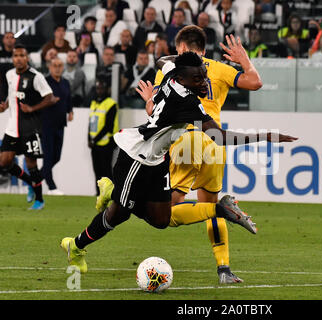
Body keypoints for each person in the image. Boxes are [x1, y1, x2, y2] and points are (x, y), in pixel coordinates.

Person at [60, 51, 297, 274]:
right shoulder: (186, 102)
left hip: (158, 159)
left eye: (204, 76)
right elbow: (218, 137)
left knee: (162, 220)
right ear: (182, 80)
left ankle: (116, 193)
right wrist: (265, 136)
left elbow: (162, 59)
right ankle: (77, 246)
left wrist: (185, 60)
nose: (204, 82)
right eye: (197, 79)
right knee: (118, 215)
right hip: (136, 157)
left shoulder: (173, 72)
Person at [95, 26, 264, 284]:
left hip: (188, 140)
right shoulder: (218, 68)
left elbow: (158, 112)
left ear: (181, 49)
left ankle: (115, 193)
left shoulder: (172, 71)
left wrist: (149, 102)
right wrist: (244, 60)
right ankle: (224, 270)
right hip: (215, 146)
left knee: (168, 211)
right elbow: (255, 82)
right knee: (209, 205)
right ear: (204, 49)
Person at [0, 44, 58, 210]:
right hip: (12, 128)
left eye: (22, 55)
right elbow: (9, 97)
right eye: (16, 55)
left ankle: (39, 200)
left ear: (27, 58)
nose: (18, 58)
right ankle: (30, 183)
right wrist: (3, 106)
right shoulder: (9, 74)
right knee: (4, 162)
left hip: (30, 128)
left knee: (31, 164)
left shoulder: (36, 76)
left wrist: (32, 108)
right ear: (12, 58)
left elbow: (50, 97)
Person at [42, 57, 73, 195]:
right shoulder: (45, 82)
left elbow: (68, 98)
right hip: (46, 124)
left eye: (60, 65)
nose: (58, 68)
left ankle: (35, 178)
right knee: (48, 157)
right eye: (55, 65)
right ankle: (51, 186)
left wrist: (70, 110)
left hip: (61, 124)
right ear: (50, 67)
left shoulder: (65, 83)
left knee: (56, 157)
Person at [88, 77, 119, 195]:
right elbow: (90, 123)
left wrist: (94, 140)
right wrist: (89, 139)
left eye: (102, 88)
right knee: (97, 171)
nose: (99, 90)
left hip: (106, 143)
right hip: (95, 144)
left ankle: (110, 194)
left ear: (107, 89)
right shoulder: (94, 103)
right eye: (97, 88)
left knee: (106, 170)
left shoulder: (111, 104)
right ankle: (98, 194)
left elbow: (108, 126)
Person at [0, 32, 15, 102]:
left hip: (16, 84)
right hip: (1, 85)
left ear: (15, 40)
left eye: (12, 37)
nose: (9, 39)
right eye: (7, 37)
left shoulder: (18, 54)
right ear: (3, 40)